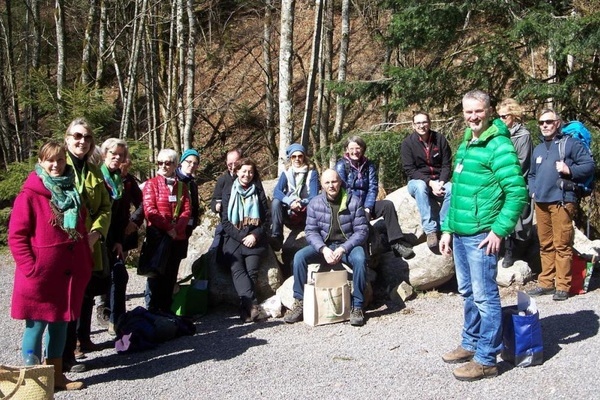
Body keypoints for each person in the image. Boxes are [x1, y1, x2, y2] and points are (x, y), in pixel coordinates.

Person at [439, 90, 528, 381]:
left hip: (482, 236)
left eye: (478, 111)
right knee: (467, 292)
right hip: (461, 234)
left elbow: (517, 193)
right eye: (468, 112)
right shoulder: (466, 141)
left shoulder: (499, 145)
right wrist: (448, 229)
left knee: (485, 297)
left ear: (488, 111)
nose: (473, 117)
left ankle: (487, 358)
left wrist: (499, 231)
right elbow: (458, 191)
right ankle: (470, 342)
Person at [9, 141, 90, 391]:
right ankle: (33, 381)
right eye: (50, 160)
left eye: (60, 160)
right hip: (40, 277)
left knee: (60, 327)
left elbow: (80, 230)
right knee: (35, 326)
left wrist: (86, 260)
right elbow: (16, 237)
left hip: (67, 277)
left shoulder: (73, 193)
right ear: (41, 162)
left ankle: (55, 377)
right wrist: (32, 268)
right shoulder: (29, 195)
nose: (55, 165)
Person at [284, 169, 369, 326]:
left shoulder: (354, 201)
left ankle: (357, 306)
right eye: (327, 183)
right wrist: (323, 249)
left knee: (360, 258)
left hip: (347, 246)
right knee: (299, 257)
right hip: (325, 246)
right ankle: (300, 302)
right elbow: (310, 231)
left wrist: (343, 248)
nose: (331, 186)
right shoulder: (315, 203)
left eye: (334, 182)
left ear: (340, 182)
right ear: (322, 185)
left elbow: (362, 231)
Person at [527, 109, 594, 301]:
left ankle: (563, 286)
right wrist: (533, 190)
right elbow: (532, 174)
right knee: (545, 244)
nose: (545, 125)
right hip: (540, 202)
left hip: (562, 200)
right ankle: (546, 283)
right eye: (541, 122)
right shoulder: (538, 148)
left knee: (562, 244)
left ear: (558, 123)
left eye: (548, 122)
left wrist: (569, 169)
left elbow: (589, 166)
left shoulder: (570, 144)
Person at [62, 118, 112, 373]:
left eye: (87, 138)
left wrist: (96, 233)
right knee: (66, 300)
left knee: (83, 296)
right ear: (67, 138)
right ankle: (60, 357)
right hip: (64, 243)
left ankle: (73, 349)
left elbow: (105, 206)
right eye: (78, 136)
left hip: (89, 243)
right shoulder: (58, 165)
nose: (82, 141)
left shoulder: (94, 171)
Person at [335, 135, 414, 259]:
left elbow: (372, 188)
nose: (355, 151)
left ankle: (396, 243)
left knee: (387, 205)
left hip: (367, 204)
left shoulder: (369, 165)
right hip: (350, 206)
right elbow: (344, 190)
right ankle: (366, 258)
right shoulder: (341, 166)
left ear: (362, 149)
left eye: (358, 148)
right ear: (346, 150)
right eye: (351, 148)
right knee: (362, 224)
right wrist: (359, 208)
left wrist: (367, 207)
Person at [221, 158, 270, 322]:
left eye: (250, 172)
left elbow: (267, 219)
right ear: (237, 172)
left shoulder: (258, 191)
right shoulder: (229, 191)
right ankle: (253, 305)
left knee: (251, 273)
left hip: (254, 239)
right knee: (237, 269)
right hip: (234, 239)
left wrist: (254, 235)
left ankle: (246, 310)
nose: (247, 175)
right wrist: (242, 237)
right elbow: (226, 222)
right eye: (244, 171)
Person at [142, 149, 191, 313]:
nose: (163, 166)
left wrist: (177, 229)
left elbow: (186, 211)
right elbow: (150, 210)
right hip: (158, 237)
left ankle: (167, 311)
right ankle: (154, 311)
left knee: (171, 276)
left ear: (175, 165)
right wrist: (168, 228)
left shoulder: (182, 187)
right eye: (160, 162)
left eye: (167, 163)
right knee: (156, 276)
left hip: (176, 238)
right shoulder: (151, 184)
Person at [401, 112, 452, 250]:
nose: (421, 126)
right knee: (420, 186)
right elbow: (410, 170)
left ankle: (443, 226)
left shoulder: (439, 139)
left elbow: (447, 164)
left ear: (429, 123)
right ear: (413, 125)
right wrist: (430, 182)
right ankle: (430, 230)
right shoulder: (408, 143)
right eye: (418, 123)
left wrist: (441, 182)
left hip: (438, 180)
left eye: (424, 122)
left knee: (452, 189)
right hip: (418, 181)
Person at [98, 138, 131, 336]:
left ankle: (116, 321)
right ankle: (79, 338)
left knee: (119, 275)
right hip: (96, 237)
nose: (117, 158)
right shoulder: (98, 177)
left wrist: (119, 240)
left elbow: (120, 215)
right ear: (104, 155)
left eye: (120, 155)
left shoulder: (120, 180)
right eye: (113, 154)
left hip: (112, 240)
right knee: (90, 286)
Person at [497, 98, 534, 268]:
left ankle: (510, 252)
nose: (501, 120)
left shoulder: (523, 135)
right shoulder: (498, 134)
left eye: (504, 116)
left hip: (515, 180)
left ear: (514, 116)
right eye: (499, 117)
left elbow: (522, 162)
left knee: (513, 216)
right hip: (498, 179)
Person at [270, 143, 319, 250]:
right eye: (294, 156)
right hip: (289, 212)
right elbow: (277, 191)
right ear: (290, 158)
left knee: (314, 203)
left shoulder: (312, 173)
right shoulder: (286, 173)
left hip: (304, 212)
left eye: (300, 156)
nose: (297, 159)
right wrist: (290, 201)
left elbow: (314, 196)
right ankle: (276, 236)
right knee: (275, 202)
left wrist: (301, 203)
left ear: (304, 157)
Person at [176, 149, 201, 238]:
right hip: (171, 227)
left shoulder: (193, 183)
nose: (192, 165)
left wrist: (193, 222)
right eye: (189, 162)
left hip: (187, 227)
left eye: (195, 163)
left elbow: (195, 205)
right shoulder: (173, 179)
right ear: (182, 162)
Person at [211, 148, 242, 216]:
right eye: (230, 164)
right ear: (226, 163)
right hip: (227, 219)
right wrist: (217, 206)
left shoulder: (248, 177)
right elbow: (214, 201)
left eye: (236, 163)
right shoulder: (222, 180)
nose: (233, 167)